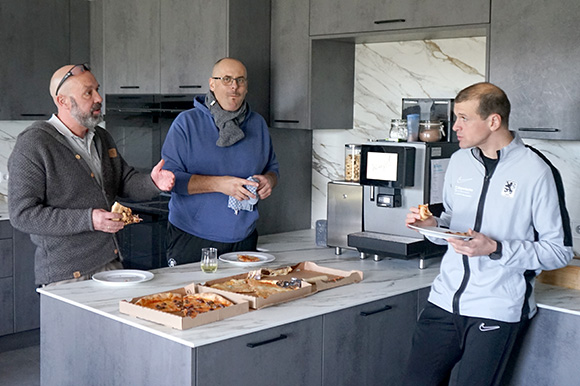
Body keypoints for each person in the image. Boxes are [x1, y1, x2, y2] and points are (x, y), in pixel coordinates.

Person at [403, 82, 573, 385]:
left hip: (496, 309)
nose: (454, 127)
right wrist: (432, 228)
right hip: (443, 302)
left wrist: (496, 248)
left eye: (463, 118)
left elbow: (558, 251)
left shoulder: (537, 171)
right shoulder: (458, 161)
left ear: (493, 121)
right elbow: (455, 228)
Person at [8, 63, 175, 286]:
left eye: (97, 89)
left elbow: (124, 181)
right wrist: (90, 219)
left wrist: (152, 182)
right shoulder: (34, 143)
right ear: (63, 101)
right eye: (88, 92)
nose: (98, 97)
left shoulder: (100, 137)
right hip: (66, 275)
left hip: (111, 263)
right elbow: (23, 214)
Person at [161, 57, 279, 264]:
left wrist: (269, 181)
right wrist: (220, 184)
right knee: (190, 297)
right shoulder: (186, 124)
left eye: (240, 80)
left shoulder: (258, 124)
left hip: (245, 238)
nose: (234, 86)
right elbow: (170, 181)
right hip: (193, 237)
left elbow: (272, 168)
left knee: (243, 295)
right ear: (212, 84)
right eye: (226, 79)